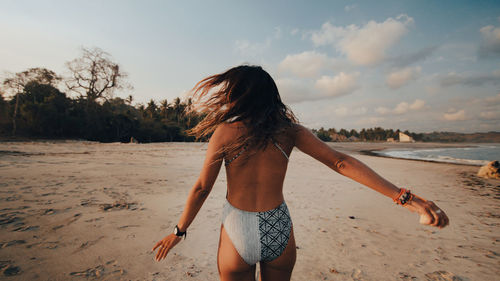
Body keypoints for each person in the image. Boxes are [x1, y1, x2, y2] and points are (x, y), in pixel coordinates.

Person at [152, 65, 449, 281]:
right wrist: (405, 197)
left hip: (236, 228)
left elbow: (202, 187)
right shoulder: (290, 132)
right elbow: (340, 162)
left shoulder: (224, 133)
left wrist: (179, 231)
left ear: (238, 96)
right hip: (278, 228)